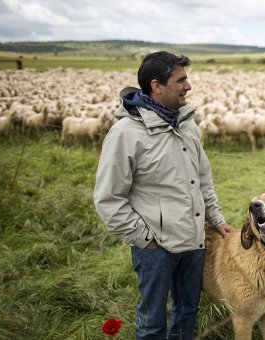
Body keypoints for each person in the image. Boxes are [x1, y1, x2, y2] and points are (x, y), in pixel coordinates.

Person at [93, 51, 233, 340]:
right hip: (156, 247)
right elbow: (108, 197)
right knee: (152, 322)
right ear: (157, 86)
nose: (188, 86)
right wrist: (145, 239)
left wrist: (215, 219)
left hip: (194, 241)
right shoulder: (126, 134)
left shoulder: (187, 125)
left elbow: (202, 178)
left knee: (186, 314)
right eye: (181, 80)